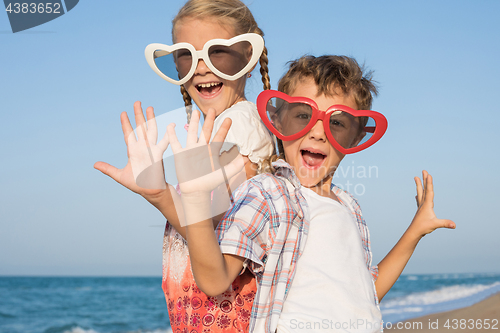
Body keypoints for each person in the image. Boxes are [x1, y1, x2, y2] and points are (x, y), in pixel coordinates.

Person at [167, 55, 455, 333]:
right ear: (278, 122)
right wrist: (194, 202)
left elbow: (367, 293)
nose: (318, 132)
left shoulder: (349, 206)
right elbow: (214, 278)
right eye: (303, 116)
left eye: (337, 123)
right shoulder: (268, 193)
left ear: (356, 137)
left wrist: (415, 231)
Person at [95, 0, 274, 331]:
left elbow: (214, 235)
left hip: (225, 315)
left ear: (247, 58)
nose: (202, 68)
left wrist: (160, 195)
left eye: (218, 52)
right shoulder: (229, 124)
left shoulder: (235, 126)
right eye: (186, 56)